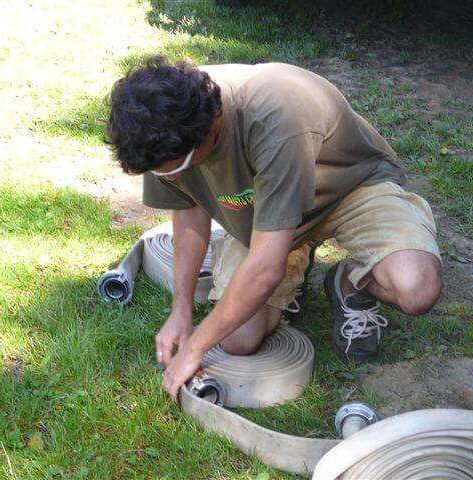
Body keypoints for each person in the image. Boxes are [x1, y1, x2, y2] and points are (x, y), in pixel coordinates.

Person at [105, 57, 442, 402]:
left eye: (179, 168)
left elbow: (265, 269)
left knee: (417, 288)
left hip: (350, 187)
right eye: (164, 173)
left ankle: (349, 281)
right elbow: (188, 213)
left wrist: (194, 348)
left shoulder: (272, 118)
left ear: (213, 123)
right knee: (238, 340)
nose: (172, 177)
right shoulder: (158, 131)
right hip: (265, 215)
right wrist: (182, 310)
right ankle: (296, 258)